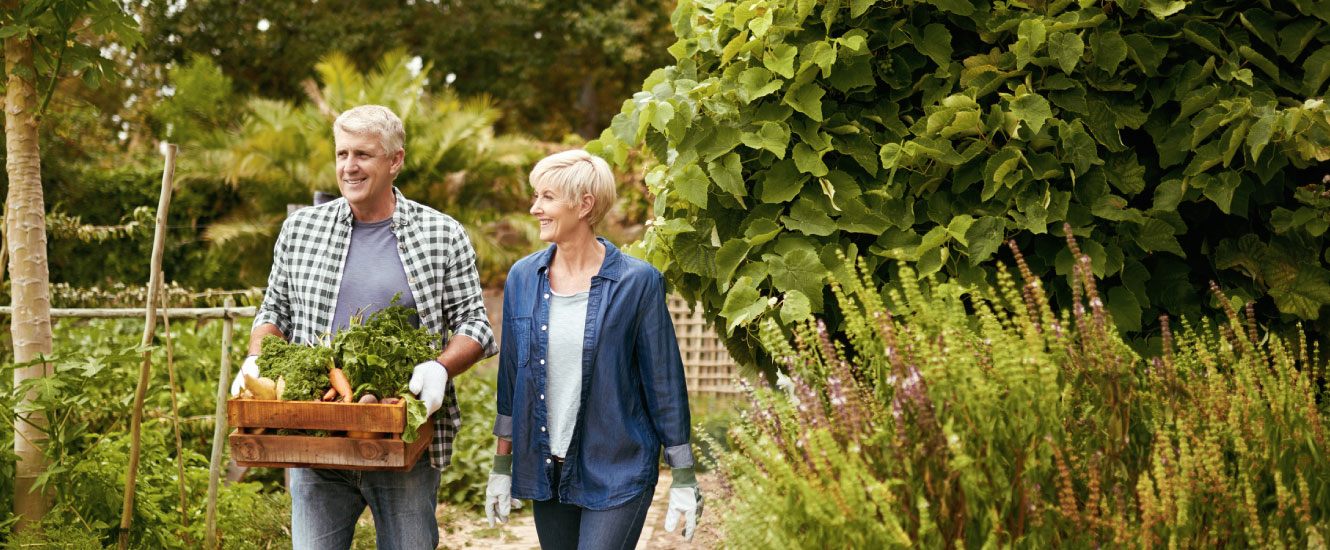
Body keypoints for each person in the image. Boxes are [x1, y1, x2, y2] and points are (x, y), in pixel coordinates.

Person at [230, 104, 496, 550]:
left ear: (395, 160)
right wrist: (258, 356)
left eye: (364, 155)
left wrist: (439, 368)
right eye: (342, 154)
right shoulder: (300, 229)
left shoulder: (442, 233)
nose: (349, 167)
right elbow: (274, 311)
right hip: (314, 435)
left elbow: (475, 323)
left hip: (401, 431)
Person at [484, 150, 702, 549]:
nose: (535, 209)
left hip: (618, 468)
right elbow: (511, 379)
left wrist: (684, 476)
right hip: (547, 471)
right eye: (536, 196)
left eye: (547, 197)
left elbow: (664, 384)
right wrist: (501, 465)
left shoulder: (638, 283)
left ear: (584, 205)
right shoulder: (522, 278)